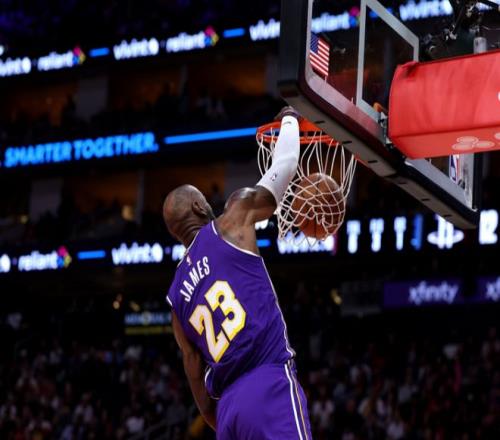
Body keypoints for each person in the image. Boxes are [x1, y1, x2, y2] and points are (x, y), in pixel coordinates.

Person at [163, 107, 312, 439]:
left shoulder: (176, 299)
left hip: (228, 411)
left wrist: (227, 419)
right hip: (267, 382)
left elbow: (194, 373)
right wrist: (290, 118)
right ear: (200, 207)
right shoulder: (230, 220)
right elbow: (286, 164)